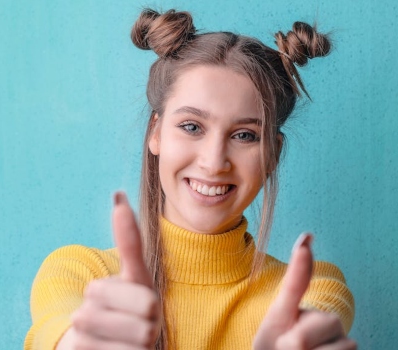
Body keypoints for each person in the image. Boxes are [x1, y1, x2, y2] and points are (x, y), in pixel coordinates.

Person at [24, 8, 356, 350]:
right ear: (156, 132)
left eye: (245, 135)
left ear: (273, 152)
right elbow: (62, 331)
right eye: (192, 127)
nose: (213, 163)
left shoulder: (309, 289)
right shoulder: (79, 274)